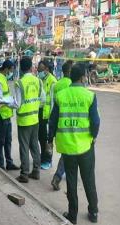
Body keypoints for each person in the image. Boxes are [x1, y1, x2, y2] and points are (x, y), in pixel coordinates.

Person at [48, 63, 100, 225]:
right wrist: (94, 136)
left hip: (67, 147)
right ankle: (93, 212)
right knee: (89, 179)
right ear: (83, 77)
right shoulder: (89, 96)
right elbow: (96, 122)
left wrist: (49, 141)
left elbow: (53, 120)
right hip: (85, 147)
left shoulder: (61, 96)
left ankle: (72, 215)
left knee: (71, 180)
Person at [14, 57, 43, 183]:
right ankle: (36, 171)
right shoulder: (38, 81)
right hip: (35, 118)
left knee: (24, 147)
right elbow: (43, 100)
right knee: (34, 145)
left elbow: (17, 103)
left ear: (21, 68)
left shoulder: (19, 83)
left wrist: (6, 103)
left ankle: (24, 174)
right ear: (31, 67)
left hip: (24, 120)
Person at [0, 60, 20, 171]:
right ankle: (1, 164)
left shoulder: (3, 78)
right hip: (0, 115)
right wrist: (12, 103)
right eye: (11, 69)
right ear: (6, 68)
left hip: (5, 114)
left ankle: (9, 163)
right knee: (1, 140)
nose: (12, 72)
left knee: (8, 140)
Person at [50, 61, 73, 191]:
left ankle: (60, 176)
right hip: (71, 121)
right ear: (70, 71)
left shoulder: (57, 84)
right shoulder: (73, 85)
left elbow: (54, 104)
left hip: (59, 121)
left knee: (67, 152)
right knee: (70, 152)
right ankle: (58, 176)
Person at [37, 61, 57, 170]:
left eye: (41, 70)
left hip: (49, 116)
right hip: (40, 114)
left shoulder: (52, 81)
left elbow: (54, 101)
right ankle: (42, 156)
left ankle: (47, 160)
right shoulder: (40, 79)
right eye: (38, 70)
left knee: (49, 140)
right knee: (41, 138)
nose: (39, 72)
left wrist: (52, 118)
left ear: (47, 70)